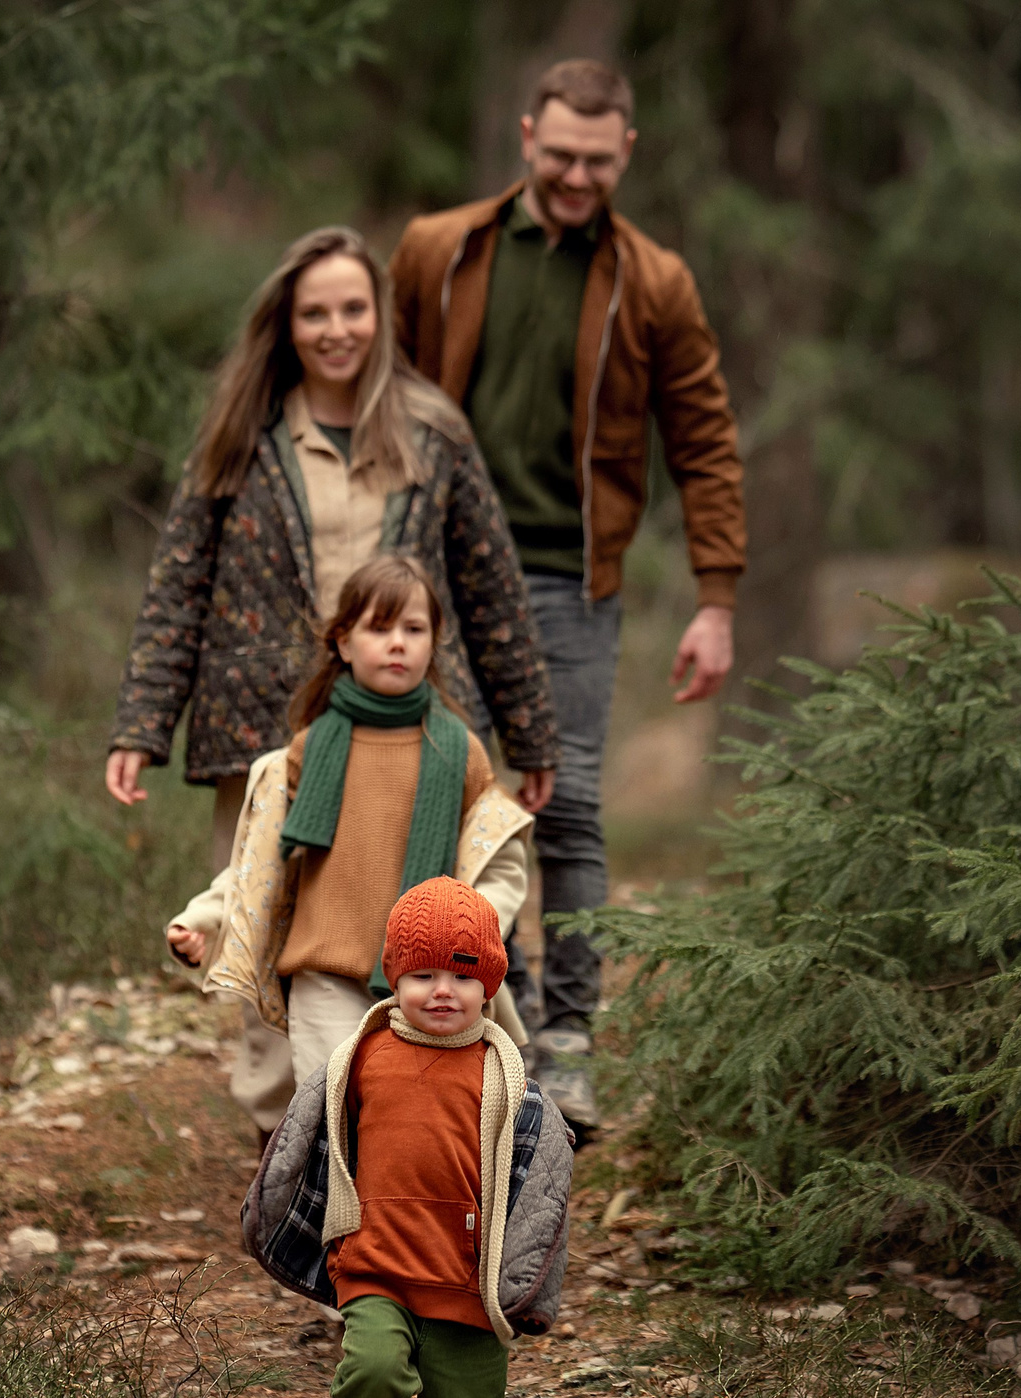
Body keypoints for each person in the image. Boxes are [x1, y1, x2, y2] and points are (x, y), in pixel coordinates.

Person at [106, 225, 560, 1134]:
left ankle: (445, 1114)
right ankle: (288, 1130)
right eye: (315, 312)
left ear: (380, 317)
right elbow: (180, 579)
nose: (336, 329)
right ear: (286, 323)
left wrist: (528, 727)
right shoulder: (242, 436)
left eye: (353, 308)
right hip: (270, 725)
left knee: (434, 912)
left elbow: (489, 582)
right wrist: (141, 723)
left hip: (415, 728)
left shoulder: (432, 433)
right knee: (275, 910)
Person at [391, 58, 748, 1132]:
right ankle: (452, 1022)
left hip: (567, 580)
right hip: (438, 576)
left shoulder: (656, 281)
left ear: (626, 151)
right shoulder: (438, 249)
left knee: (571, 806)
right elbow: (381, 398)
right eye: (559, 156)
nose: (578, 175)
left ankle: (568, 1040)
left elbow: (705, 441)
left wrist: (715, 595)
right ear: (524, 135)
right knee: (441, 801)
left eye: (598, 160)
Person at [239, 876, 575, 1398]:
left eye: (462, 974)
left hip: (466, 1277)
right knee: (372, 1368)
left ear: (490, 985)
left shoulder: (507, 1079)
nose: (441, 989)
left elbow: (542, 1186)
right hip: (377, 1262)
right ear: (394, 976)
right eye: (421, 974)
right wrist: (288, 1216)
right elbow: (306, 1134)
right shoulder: (360, 1058)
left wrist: (524, 1283)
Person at [166, 557, 535, 1089]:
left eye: (414, 629)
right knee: (335, 1102)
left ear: (433, 643)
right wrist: (204, 918)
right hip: (325, 972)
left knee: (415, 1106)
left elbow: (499, 864)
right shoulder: (308, 751)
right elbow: (258, 864)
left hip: (433, 979)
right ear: (342, 643)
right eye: (378, 628)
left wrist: (474, 934)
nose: (398, 643)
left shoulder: (461, 752)